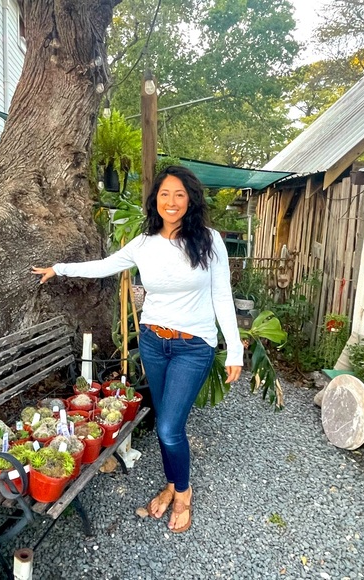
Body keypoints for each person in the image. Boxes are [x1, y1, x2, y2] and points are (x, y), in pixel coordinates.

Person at [32, 165, 243, 533]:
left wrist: (235, 348)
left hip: (193, 347)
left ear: (190, 199)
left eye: (179, 194)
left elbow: (222, 296)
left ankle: (183, 493)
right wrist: (59, 269)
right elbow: (104, 266)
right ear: (155, 200)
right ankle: (173, 483)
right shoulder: (144, 244)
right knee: (166, 424)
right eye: (165, 194)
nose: (172, 201)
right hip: (153, 342)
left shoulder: (209, 240)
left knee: (169, 428)